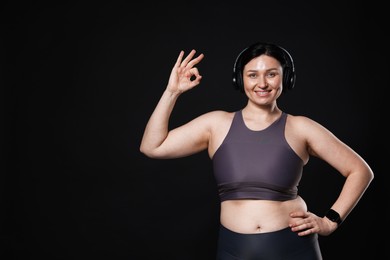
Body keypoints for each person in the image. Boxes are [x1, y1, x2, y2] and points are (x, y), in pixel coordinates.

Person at [139, 41, 374, 259]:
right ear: (240, 80)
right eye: (253, 75)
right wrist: (172, 92)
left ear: (286, 79)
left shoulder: (301, 127)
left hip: (293, 248)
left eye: (271, 74)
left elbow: (360, 171)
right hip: (234, 249)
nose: (262, 84)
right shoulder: (216, 125)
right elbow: (152, 147)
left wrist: (330, 221)